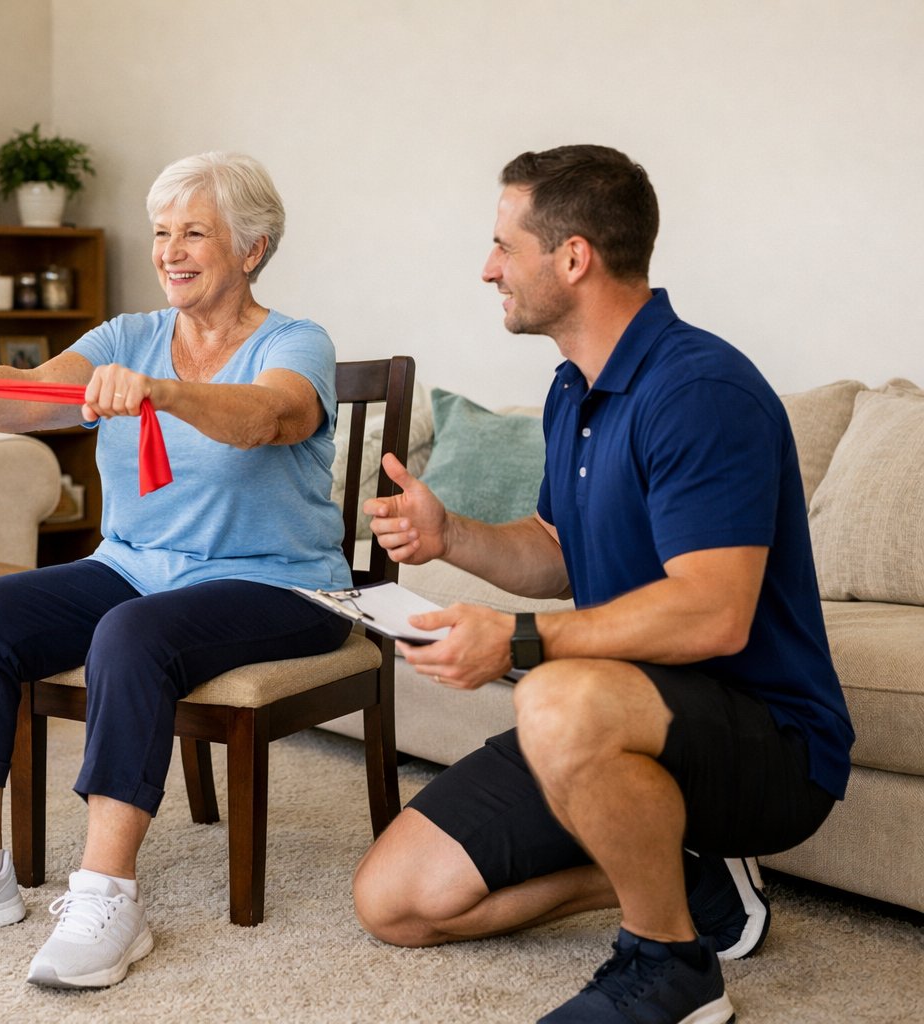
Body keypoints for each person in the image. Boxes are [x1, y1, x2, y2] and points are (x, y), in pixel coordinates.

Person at [350, 145, 853, 1023]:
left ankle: (669, 964)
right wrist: (450, 535)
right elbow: (556, 550)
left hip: (768, 739)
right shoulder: (572, 390)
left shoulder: (700, 390)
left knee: (552, 694)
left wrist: (517, 640)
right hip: (623, 714)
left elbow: (714, 611)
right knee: (395, 902)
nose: (487, 267)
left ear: (572, 257)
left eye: (504, 245)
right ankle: (693, 881)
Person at [0, 152, 354, 989]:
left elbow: (269, 417)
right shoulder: (127, 336)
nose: (171, 250)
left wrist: (164, 394)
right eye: (163, 232)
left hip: (281, 582)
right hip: (136, 566)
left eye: (196, 232)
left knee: (132, 637)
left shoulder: (295, 341)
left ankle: (108, 895)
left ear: (252, 249)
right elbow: (27, 398)